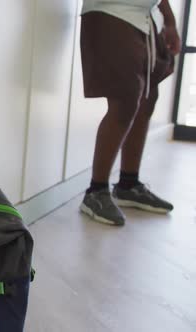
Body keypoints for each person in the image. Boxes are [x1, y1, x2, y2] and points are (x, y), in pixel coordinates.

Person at [79, 0, 180, 225]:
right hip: (113, 11)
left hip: (146, 17)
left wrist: (170, 21)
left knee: (147, 98)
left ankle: (128, 183)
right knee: (125, 100)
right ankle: (96, 191)